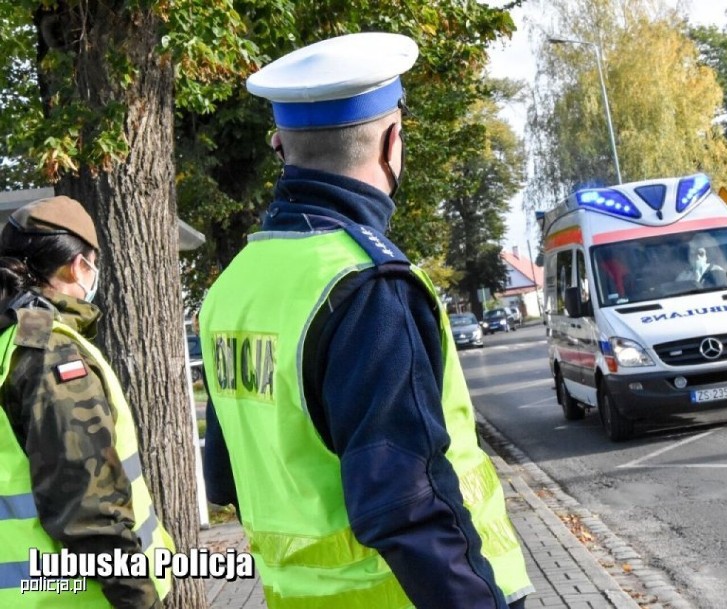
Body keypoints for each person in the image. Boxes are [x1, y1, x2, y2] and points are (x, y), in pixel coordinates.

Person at [200, 32, 532, 609]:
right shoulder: (368, 286)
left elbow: (225, 479)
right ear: (392, 142)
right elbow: (408, 505)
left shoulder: (232, 287)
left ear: (280, 145)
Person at [0, 196, 174, 608]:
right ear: (79, 265)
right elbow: (88, 505)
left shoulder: (12, 339)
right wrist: (138, 598)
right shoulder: (47, 349)